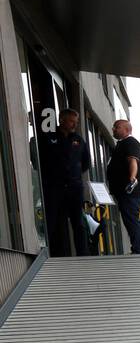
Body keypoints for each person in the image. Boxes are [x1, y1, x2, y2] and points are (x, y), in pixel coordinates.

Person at [38, 109, 91, 257]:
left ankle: (83, 254)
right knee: (55, 222)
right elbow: (41, 161)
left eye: (76, 122)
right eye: (71, 121)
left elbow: (86, 163)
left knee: (78, 222)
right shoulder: (49, 138)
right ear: (62, 120)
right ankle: (56, 254)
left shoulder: (79, 140)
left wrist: (73, 174)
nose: (74, 124)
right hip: (55, 188)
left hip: (74, 188)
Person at [107, 119, 140, 254]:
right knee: (130, 222)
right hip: (124, 193)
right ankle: (138, 249)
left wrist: (132, 178)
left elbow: (133, 161)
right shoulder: (122, 144)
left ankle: (139, 250)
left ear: (127, 130)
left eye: (117, 127)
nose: (113, 129)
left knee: (132, 222)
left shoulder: (130, 143)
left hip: (130, 193)